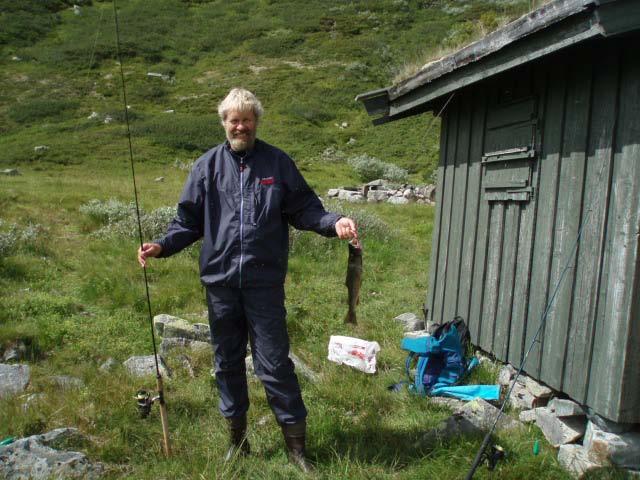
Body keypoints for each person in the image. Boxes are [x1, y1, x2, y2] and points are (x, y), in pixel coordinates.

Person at [138, 88, 357, 471]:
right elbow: (187, 222)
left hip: (264, 284)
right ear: (224, 123)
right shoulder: (205, 167)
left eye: (246, 119)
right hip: (220, 284)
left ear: (256, 121)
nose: (240, 126)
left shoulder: (277, 163)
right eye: (233, 120)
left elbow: (305, 208)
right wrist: (162, 246)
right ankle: (237, 444)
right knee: (226, 363)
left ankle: (297, 452)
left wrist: (333, 221)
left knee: (274, 364)